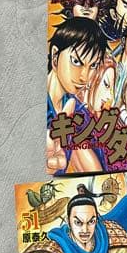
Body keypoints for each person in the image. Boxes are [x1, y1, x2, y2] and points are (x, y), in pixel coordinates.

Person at [46, 17, 107, 175]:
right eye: (76, 61)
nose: (84, 77)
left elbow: (98, 173)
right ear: (55, 56)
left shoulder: (79, 113)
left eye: (93, 65)